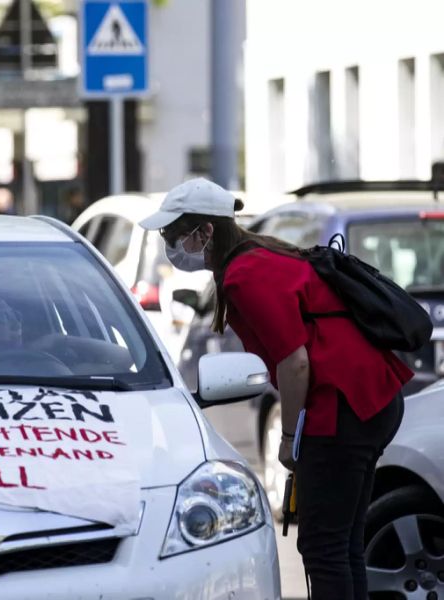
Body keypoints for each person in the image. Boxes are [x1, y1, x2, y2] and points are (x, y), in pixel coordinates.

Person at [140, 177, 412, 600]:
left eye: (175, 236)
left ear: (205, 232)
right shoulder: (259, 254)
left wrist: (289, 438)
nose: (171, 247)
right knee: (342, 546)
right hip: (371, 398)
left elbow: (295, 361)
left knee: (324, 549)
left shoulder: (245, 275)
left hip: (344, 408)